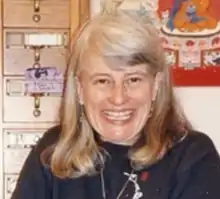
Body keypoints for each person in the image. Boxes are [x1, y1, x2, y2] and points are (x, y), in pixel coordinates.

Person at [11, 9, 220, 199]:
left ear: (155, 85)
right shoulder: (53, 151)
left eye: (134, 79)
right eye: (102, 81)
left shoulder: (193, 157)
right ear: (81, 89)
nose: (118, 98)